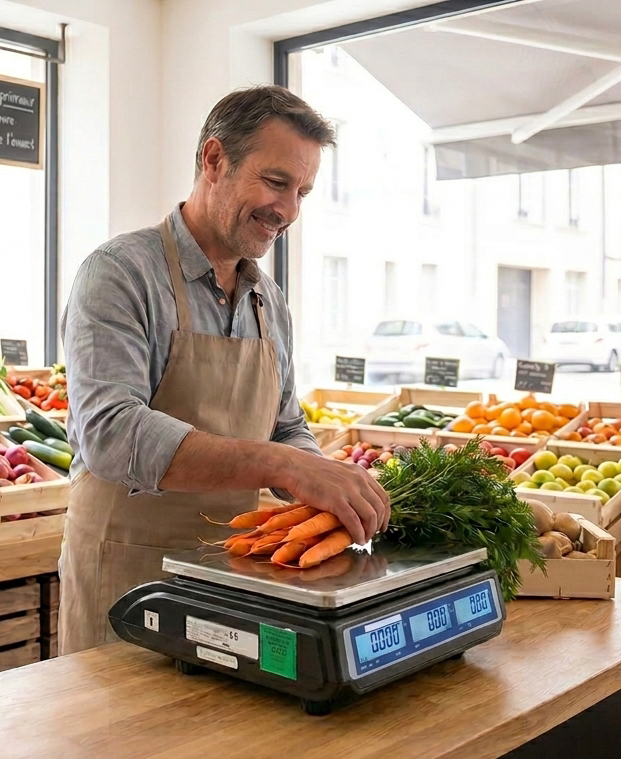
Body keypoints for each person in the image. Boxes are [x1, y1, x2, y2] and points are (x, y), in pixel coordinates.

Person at [58, 85, 391, 654]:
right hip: (128, 584)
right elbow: (111, 433)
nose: (287, 211)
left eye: (302, 192)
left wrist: (329, 490)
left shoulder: (269, 300)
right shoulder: (118, 274)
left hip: (237, 582)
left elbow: (285, 426)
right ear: (214, 160)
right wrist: (281, 464)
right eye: (276, 182)